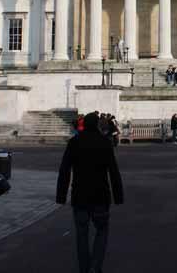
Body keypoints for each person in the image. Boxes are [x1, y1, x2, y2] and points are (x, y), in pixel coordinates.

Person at [57, 112, 124, 273]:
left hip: (80, 195)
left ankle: (84, 268)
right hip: (101, 194)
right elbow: (113, 171)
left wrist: (61, 195)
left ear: (84, 125)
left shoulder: (74, 142)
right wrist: (118, 196)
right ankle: (96, 266)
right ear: (97, 125)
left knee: (81, 235)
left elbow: (64, 170)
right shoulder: (104, 142)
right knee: (102, 231)